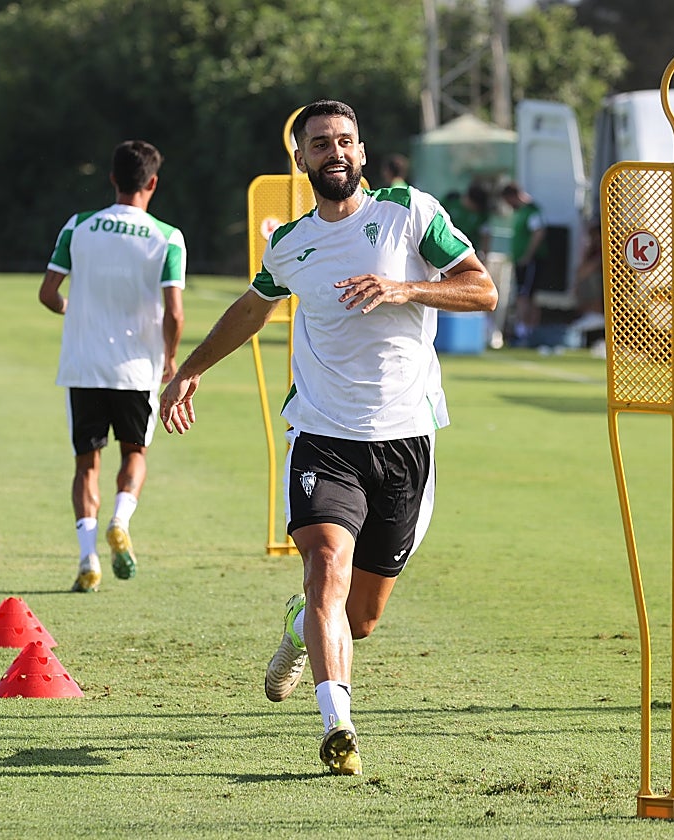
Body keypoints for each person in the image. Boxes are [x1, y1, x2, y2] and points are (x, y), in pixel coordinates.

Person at [159, 100, 496, 776]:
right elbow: (252, 309)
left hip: (404, 441)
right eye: (320, 143)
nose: (333, 151)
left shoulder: (409, 213)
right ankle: (338, 725)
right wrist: (189, 370)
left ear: (362, 153)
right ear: (303, 158)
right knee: (325, 574)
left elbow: (482, 290)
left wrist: (404, 288)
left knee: (362, 618)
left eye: (344, 140)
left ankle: (295, 630)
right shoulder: (289, 243)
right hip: (322, 435)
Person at [39, 140, 186, 592]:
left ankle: (88, 560)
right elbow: (175, 312)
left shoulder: (79, 226)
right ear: (153, 182)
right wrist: (171, 357)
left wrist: (74, 309)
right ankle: (120, 520)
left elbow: (47, 293)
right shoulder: (168, 236)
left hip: (84, 366)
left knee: (86, 465)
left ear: (112, 179)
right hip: (137, 368)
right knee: (135, 454)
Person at [501, 182, 546, 346]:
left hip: (530, 261)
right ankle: (527, 331)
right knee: (527, 295)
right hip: (522, 260)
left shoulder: (531, 211)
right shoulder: (521, 212)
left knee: (524, 295)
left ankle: (524, 331)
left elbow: (539, 232)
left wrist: (527, 255)